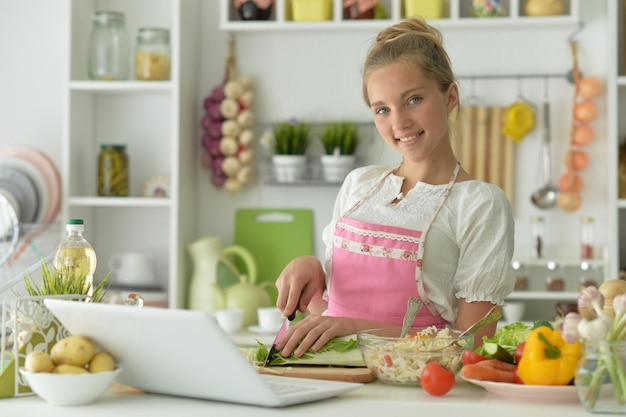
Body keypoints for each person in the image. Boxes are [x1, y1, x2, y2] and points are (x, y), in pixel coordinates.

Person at [274, 17, 515, 358]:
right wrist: (309, 269)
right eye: (382, 109)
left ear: (450, 98)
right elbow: (329, 316)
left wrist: (360, 330)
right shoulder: (359, 185)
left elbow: (470, 345)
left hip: (414, 394)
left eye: (414, 100)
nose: (399, 123)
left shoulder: (479, 204)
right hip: (330, 377)